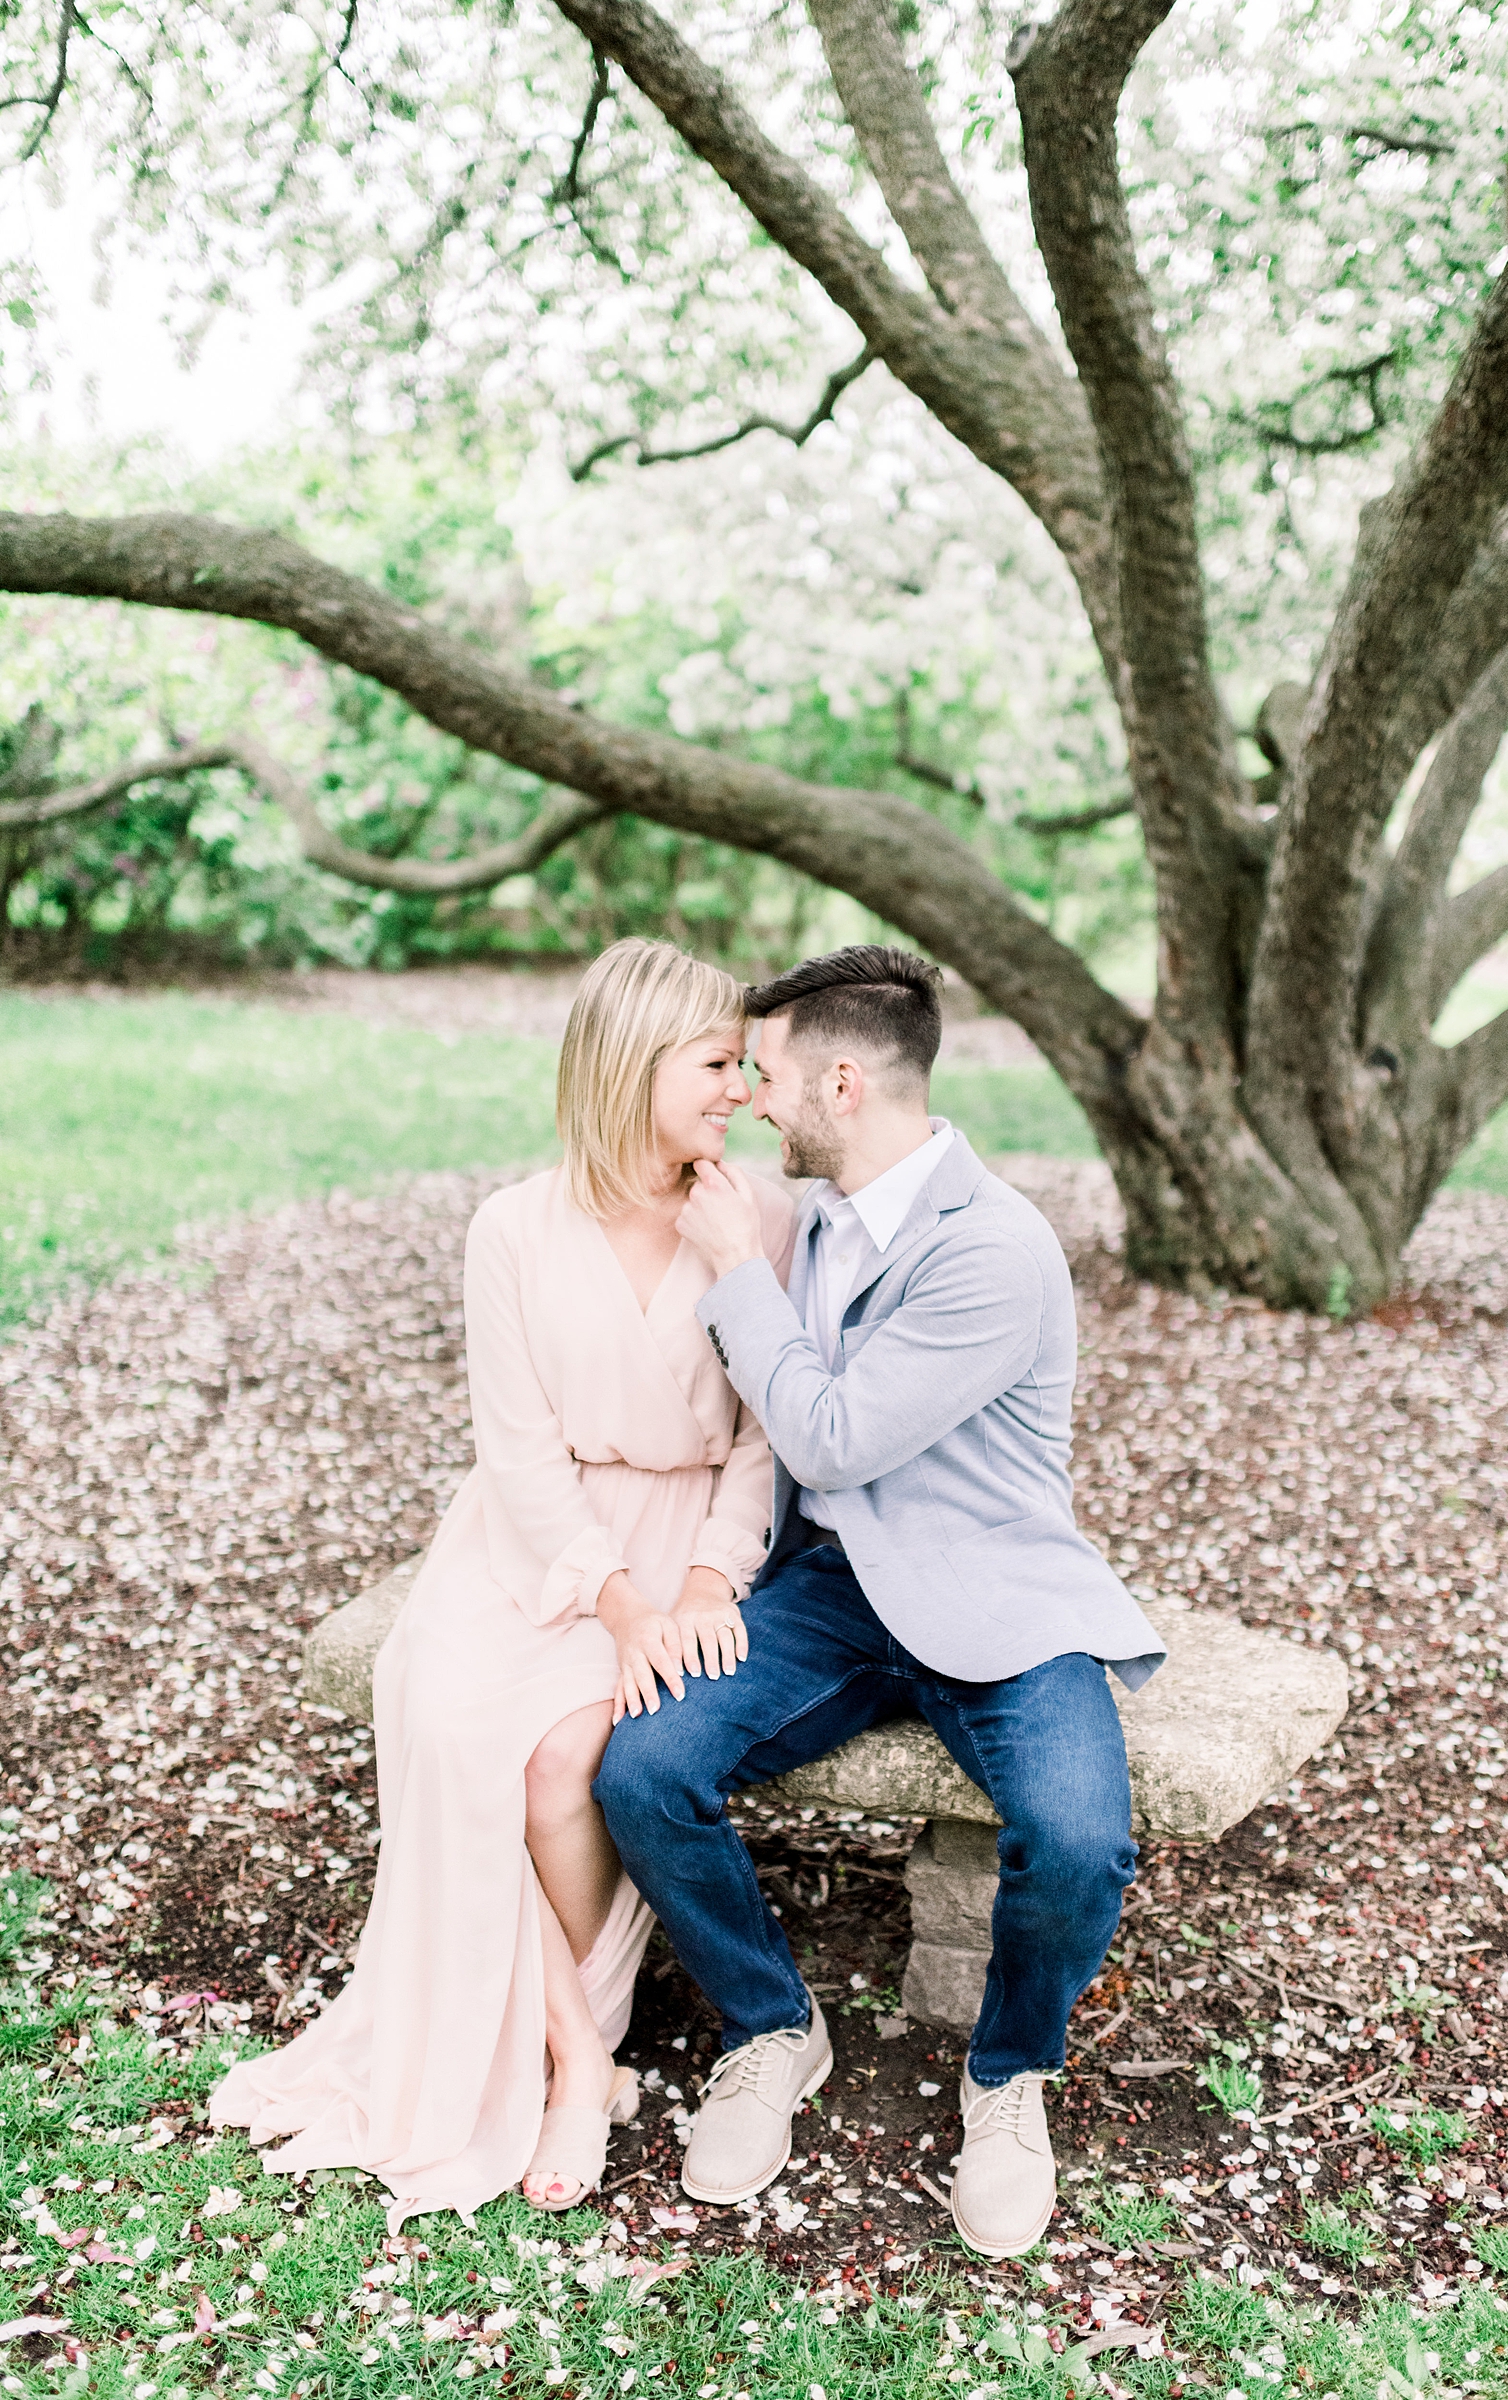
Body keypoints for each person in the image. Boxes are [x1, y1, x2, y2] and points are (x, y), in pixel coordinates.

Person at [211, 940, 795, 2230]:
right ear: (633, 1067)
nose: (745, 1089)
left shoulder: (761, 1222)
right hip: (535, 1541)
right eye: (717, 1063)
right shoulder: (514, 1228)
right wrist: (613, 1600)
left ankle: (570, 2032)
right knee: (449, 1719)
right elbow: (517, 1452)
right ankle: (579, 2065)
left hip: (684, 1534)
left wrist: (702, 1580)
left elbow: (764, 1438)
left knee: (560, 1762)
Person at [595, 944, 1164, 2261]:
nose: (746, 1095)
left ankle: (1008, 2075)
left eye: (767, 1071)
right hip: (834, 1594)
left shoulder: (993, 1249)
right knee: (643, 1768)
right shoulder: (813, 1216)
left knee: (1078, 1842)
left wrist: (736, 1266)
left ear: (842, 1080)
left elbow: (836, 1437)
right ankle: (770, 2026)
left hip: (996, 1604)